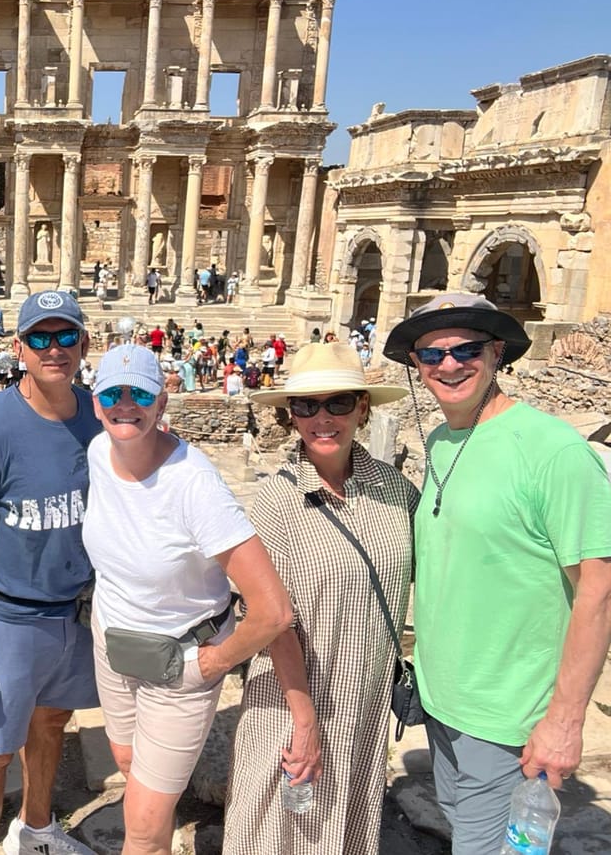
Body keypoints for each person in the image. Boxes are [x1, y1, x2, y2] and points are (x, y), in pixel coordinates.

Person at [384, 293, 611, 853]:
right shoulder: (441, 441)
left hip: (510, 716)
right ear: (415, 365)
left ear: (497, 353)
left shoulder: (553, 450)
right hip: (444, 703)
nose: (449, 365)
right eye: (431, 354)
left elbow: (599, 589)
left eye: (466, 349)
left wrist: (564, 722)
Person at [83, 345, 292, 855]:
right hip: (114, 644)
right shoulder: (98, 452)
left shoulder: (195, 485)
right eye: (112, 394)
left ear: (162, 402)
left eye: (140, 395)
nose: (125, 404)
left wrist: (212, 663)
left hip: (181, 660)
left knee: (141, 828)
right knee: (129, 763)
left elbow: (273, 611)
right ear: (95, 403)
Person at [224, 343, 417, 855]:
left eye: (338, 403)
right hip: (292, 701)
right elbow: (271, 620)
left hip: (364, 702)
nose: (322, 418)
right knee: (278, 834)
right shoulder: (277, 501)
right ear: (292, 415)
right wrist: (305, 721)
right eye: (307, 406)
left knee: (344, 832)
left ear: (362, 408)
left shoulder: (396, 492)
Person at [0, 290, 101, 855]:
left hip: (74, 611)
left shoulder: (98, 416)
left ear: (84, 342)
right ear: (19, 346)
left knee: (53, 722)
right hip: (8, 617)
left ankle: (37, 829)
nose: (54, 348)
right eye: (40, 338)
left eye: (65, 336)